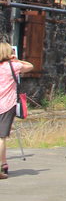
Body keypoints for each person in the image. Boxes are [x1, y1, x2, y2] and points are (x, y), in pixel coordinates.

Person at [0, 42, 34, 180]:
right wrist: (16, 59)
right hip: (6, 105)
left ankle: (4, 163)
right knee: (1, 137)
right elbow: (30, 66)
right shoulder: (12, 66)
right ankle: (1, 165)